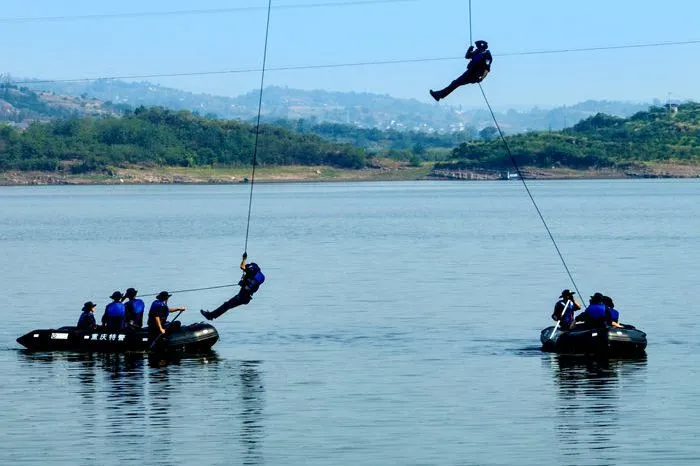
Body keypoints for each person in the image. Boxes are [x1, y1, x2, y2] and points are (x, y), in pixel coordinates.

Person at [201, 253, 265, 321]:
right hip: (244, 297)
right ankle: (210, 316)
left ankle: (210, 316)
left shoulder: (252, 276)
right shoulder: (256, 275)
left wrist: (244, 259)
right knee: (227, 305)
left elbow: (248, 287)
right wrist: (244, 259)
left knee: (227, 305)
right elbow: (243, 267)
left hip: (243, 297)